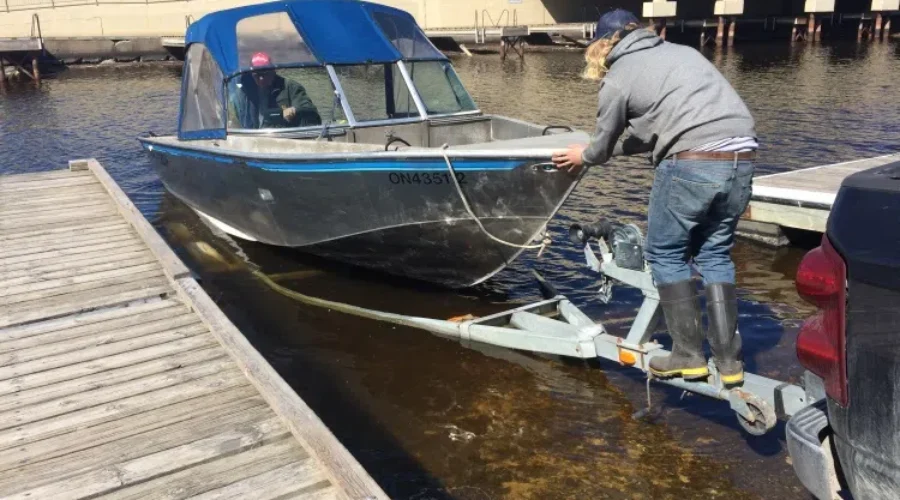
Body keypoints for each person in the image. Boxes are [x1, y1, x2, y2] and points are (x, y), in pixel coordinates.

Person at [552, 10, 757, 386]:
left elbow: (601, 144)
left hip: (693, 162)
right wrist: (607, 149)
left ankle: (689, 356)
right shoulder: (684, 54)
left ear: (602, 44)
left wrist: (585, 155)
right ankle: (729, 362)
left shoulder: (618, 77)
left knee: (665, 253)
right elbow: (658, 130)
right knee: (713, 255)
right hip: (742, 156)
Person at [230, 52, 321, 129]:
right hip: (253, 138)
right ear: (251, 74)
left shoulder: (290, 87)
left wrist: (294, 110)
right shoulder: (243, 92)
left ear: (273, 71)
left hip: (283, 137)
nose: (261, 79)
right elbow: (233, 116)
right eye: (257, 75)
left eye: (265, 74)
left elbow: (309, 110)